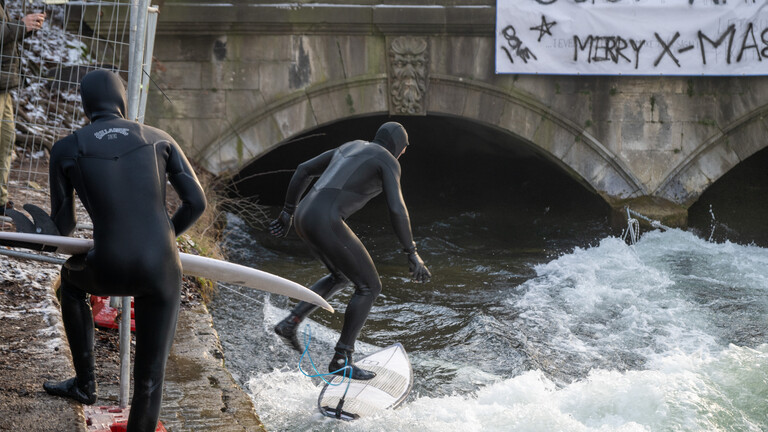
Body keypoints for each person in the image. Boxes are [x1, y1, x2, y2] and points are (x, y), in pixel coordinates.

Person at [43, 69, 206, 432]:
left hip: (108, 266)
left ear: (86, 105)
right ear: (122, 100)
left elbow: (64, 226)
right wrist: (163, 238)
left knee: (71, 282)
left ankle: (85, 384)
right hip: (162, 268)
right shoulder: (159, 138)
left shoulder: (68, 147)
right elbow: (196, 202)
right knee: (150, 377)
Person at [269, 121, 431, 380]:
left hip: (304, 215)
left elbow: (304, 170)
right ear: (398, 145)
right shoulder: (388, 160)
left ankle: (291, 323)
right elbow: (397, 208)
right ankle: (342, 358)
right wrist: (411, 252)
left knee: (340, 276)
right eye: (404, 148)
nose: (403, 153)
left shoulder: (350, 145)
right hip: (325, 219)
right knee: (370, 287)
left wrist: (288, 210)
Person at [0, 2, 46, 215]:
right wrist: (21, 25)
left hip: (4, 85)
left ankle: (0, 202)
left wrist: (26, 29)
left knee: (6, 141)